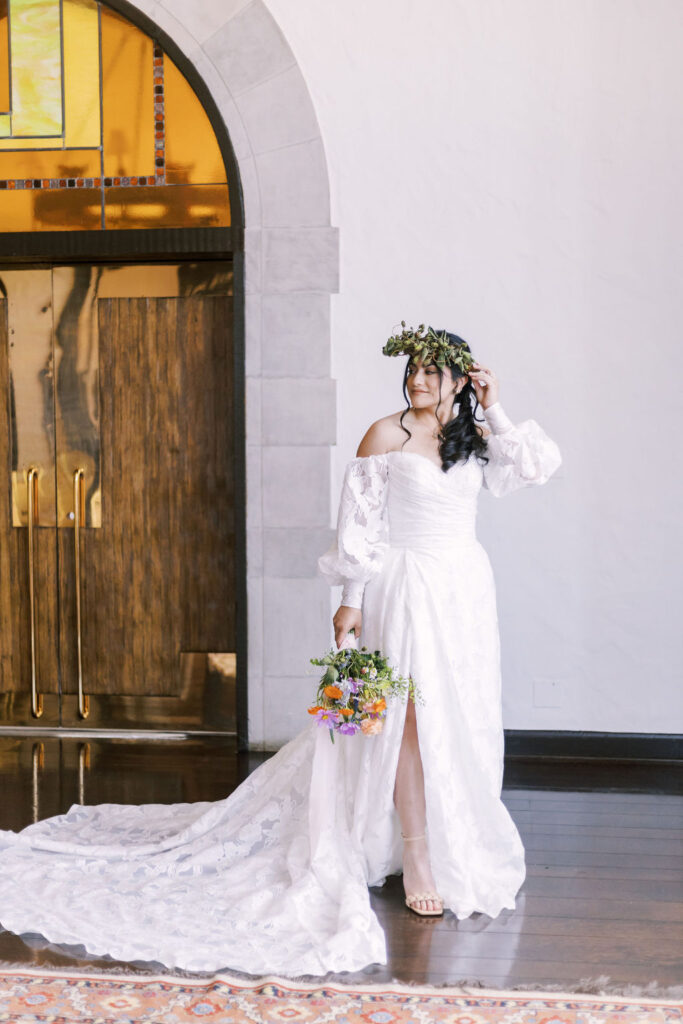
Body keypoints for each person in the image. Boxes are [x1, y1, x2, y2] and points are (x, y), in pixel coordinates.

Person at [0, 325, 562, 978]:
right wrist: (348, 605)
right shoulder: (384, 435)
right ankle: (418, 856)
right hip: (400, 592)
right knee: (400, 720)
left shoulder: (477, 438)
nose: (416, 382)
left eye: (432, 374)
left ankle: (453, 836)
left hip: (462, 595)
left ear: (460, 380)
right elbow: (361, 529)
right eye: (411, 370)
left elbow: (533, 467)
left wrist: (493, 405)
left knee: (457, 721)